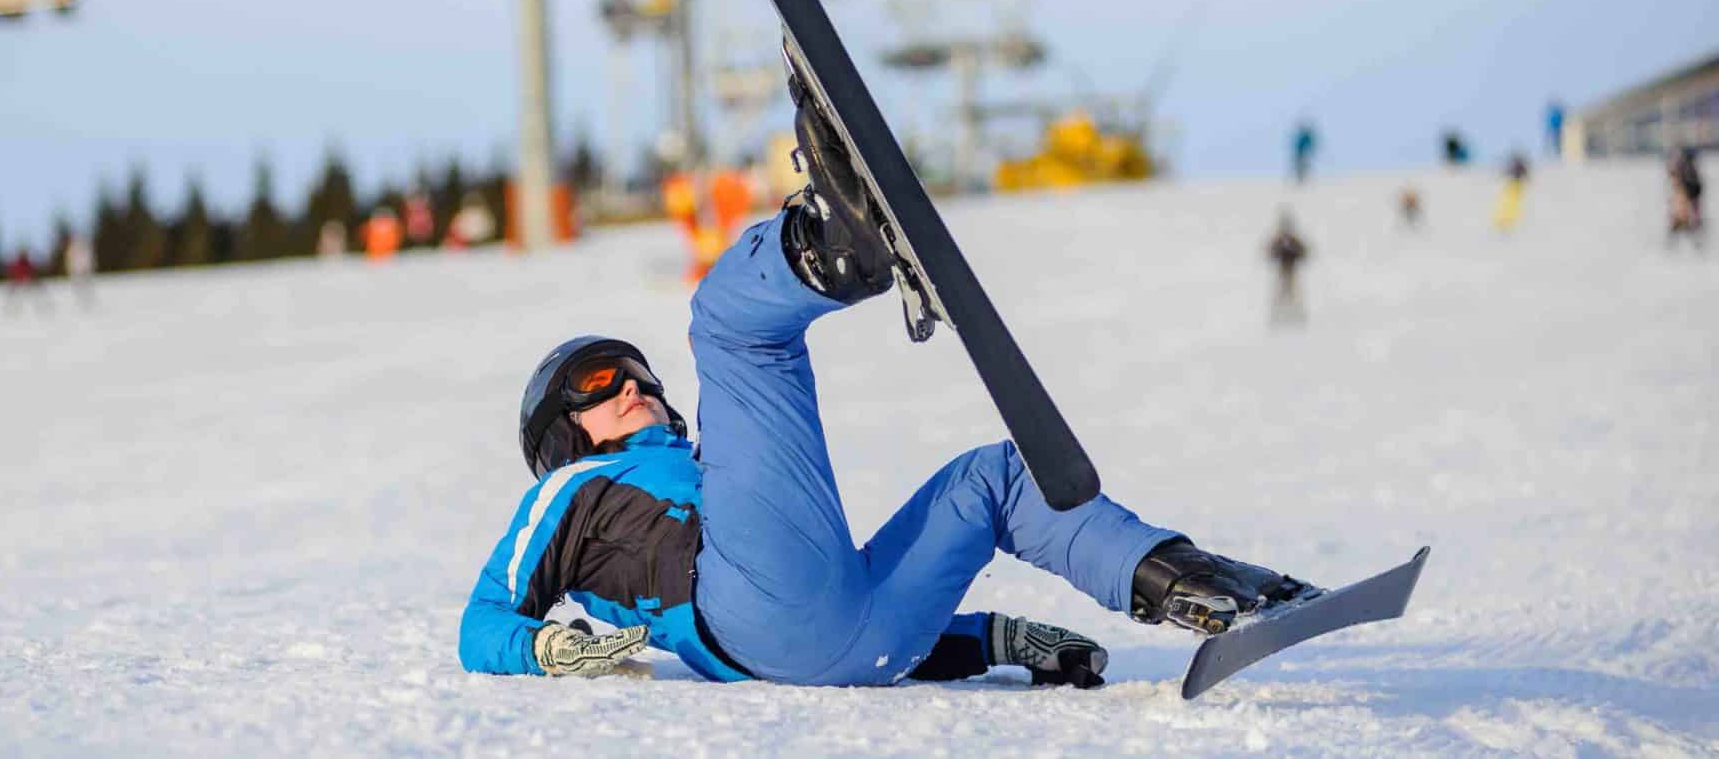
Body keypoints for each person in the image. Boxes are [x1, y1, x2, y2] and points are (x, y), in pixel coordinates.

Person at [459, 92, 1317, 686]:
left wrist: (994, 641)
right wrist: (547, 650)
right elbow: (482, 620)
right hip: (741, 615)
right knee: (728, 324)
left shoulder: (700, 469)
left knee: (999, 480)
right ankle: (830, 249)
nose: (634, 383)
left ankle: (1182, 578)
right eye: (598, 382)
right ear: (560, 434)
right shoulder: (572, 491)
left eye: (638, 372)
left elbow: (832, 616)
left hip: (858, 641)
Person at [1264, 209, 1310, 327]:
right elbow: (1270, 252)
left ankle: (1296, 315)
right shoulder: (1279, 240)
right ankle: (1278, 316)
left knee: (1293, 292)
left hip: (1291, 269)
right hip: (1282, 269)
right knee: (1280, 292)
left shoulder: (1293, 240)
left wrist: (1294, 253)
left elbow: (1303, 251)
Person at [1667, 147, 1704, 249]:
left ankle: (1694, 241)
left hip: (1687, 197)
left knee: (1685, 219)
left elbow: (1694, 185)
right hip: (1685, 197)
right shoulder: (1686, 168)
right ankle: (1693, 241)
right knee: (1683, 219)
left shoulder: (1687, 168)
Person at [1290, 121, 1317, 185]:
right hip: (1300, 154)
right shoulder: (1302, 136)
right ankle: (1300, 180)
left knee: (1304, 167)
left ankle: (1304, 180)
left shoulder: (1305, 137)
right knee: (1299, 168)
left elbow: (1310, 145)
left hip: (1303, 155)